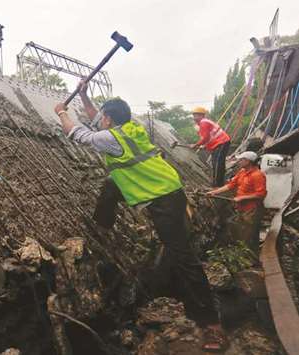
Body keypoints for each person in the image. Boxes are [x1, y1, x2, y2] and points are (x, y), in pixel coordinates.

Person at [53, 82, 227, 352]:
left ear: (110, 119)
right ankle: (103, 226)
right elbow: (97, 120)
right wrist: (86, 96)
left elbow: (79, 134)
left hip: (164, 198)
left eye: (103, 116)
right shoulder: (129, 127)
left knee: (183, 259)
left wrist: (62, 113)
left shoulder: (111, 138)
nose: (100, 119)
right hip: (167, 188)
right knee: (111, 183)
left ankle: (211, 324)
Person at [208, 151, 266, 254]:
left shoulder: (257, 175)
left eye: (241, 159)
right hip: (241, 208)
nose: (238, 161)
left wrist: (243, 198)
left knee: (249, 233)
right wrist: (214, 192)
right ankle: (243, 252)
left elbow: (261, 194)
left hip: (252, 209)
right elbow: (231, 185)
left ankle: (252, 256)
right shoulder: (242, 172)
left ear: (248, 161)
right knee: (241, 231)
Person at [190, 107, 231, 187]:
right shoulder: (202, 124)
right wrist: (204, 146)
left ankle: (217, 185)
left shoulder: (203, 123)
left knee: (217, 164)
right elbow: (209, 137)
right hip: (219, 143)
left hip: (221, 142)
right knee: (217, 164)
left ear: (202, 115)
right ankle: (219, 183)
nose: (195, 117)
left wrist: (195, 145)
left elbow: (205, 138)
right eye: (194, 115)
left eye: (197, 115)